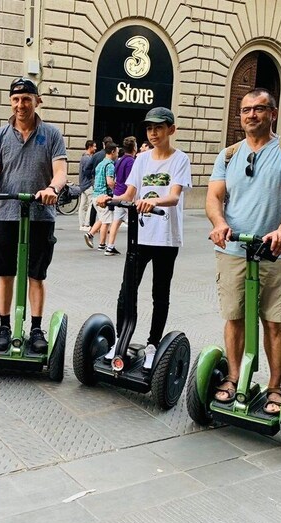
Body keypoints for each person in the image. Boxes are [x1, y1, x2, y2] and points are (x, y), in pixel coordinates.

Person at [206, 88, 281, 415]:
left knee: (273, 322)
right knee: (234, 317)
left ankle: (275, 386)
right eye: (246, 110)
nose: (251, 115)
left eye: (259, 109)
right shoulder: (228, 155)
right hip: (234, 248)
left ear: (273, 113)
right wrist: (219, 222)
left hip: (273, 252)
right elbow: (213, 197)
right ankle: (236, 378)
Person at [0, 77, 67, 353]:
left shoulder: (51, 134)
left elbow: (61, 170)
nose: (20, 104)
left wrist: (52, 188)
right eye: (16, 99)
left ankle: (36, 328)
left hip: (40, 214)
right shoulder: (0, 136)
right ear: (10, 102)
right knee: (5, 273)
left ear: (37, 101)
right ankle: (4, 326)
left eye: (26, 99)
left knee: (36, 275)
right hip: (6, 213)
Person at [97, 107, 191, 362]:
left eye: (159, 128)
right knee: (127, 290)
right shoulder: (142, 159)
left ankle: (152, 345)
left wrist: (154, 202)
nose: (153, 133)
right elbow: (129, 195)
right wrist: (110, 199)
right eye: (150, 128)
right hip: (140, 236)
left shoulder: (180, 159)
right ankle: (120, 340)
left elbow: (173, 196)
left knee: (160, 294)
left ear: (171, 130)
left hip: (166, 238)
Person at [104, 136, 137, 256]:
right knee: (136, 221)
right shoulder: (131, 162)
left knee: (116, 221)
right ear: (134, 147)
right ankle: (137, 246)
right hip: (126, 195)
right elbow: (131, 180)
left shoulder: (120, 160)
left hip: (117, 193)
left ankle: (110, 246)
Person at [83, 143, 117, 251]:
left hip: (95, 194)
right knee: (106, 221)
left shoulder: (101, 164)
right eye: (116, 151)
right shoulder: (110, 165)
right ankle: (102, 244)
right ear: (112, 152)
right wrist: (116, 190)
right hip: (104, 196)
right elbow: (110, 182)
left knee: (102, 219)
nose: (117, 154)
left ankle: (90, 234)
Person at [77, 139, 96, 230]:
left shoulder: (83, 157)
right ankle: (86, 224)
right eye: (94, 146)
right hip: (87, 184)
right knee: (90, 203)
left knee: (83, 204)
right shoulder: (87, 158)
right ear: (90, 147)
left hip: (83, 184)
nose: (95, 148)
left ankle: (82, 224)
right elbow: (87, 171)